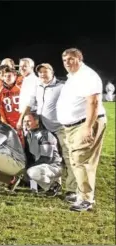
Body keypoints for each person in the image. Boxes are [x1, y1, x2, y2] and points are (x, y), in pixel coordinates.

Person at [56, 48, 107, 212]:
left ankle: (86, 199)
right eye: (65, 60)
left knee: (82, 161)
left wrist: (88, 127)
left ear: (80, 58)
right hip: (74, 125)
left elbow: (93, 102)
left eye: (71, 59)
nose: (67, 63)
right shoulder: (74, 76)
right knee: (77, 160)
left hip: (84, 123)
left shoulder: (88, 75)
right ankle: (82, 193)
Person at [19, 63, 76, 199]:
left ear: (52, 72)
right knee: (49, 158)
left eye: (46, 71)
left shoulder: (62, 86)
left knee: (69, 158)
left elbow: (73, 103)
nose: (43, 74)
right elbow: (29, 103)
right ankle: (54, 183)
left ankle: (72, 189)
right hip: (44, 128)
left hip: (60, 128)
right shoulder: (37, 86)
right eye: (40, 72)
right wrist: (20, 120)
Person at [23, 113, 63, 197]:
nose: (26, 123)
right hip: (41, 167)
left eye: (29, 121)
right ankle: (43, 185)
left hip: (54, 166)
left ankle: (53, 186)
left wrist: (28, 169)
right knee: (28, 172)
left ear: (37, 122)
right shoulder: (28, 135)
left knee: (31, 171)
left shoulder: (44, 134)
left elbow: (46, 158)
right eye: (24, 121)